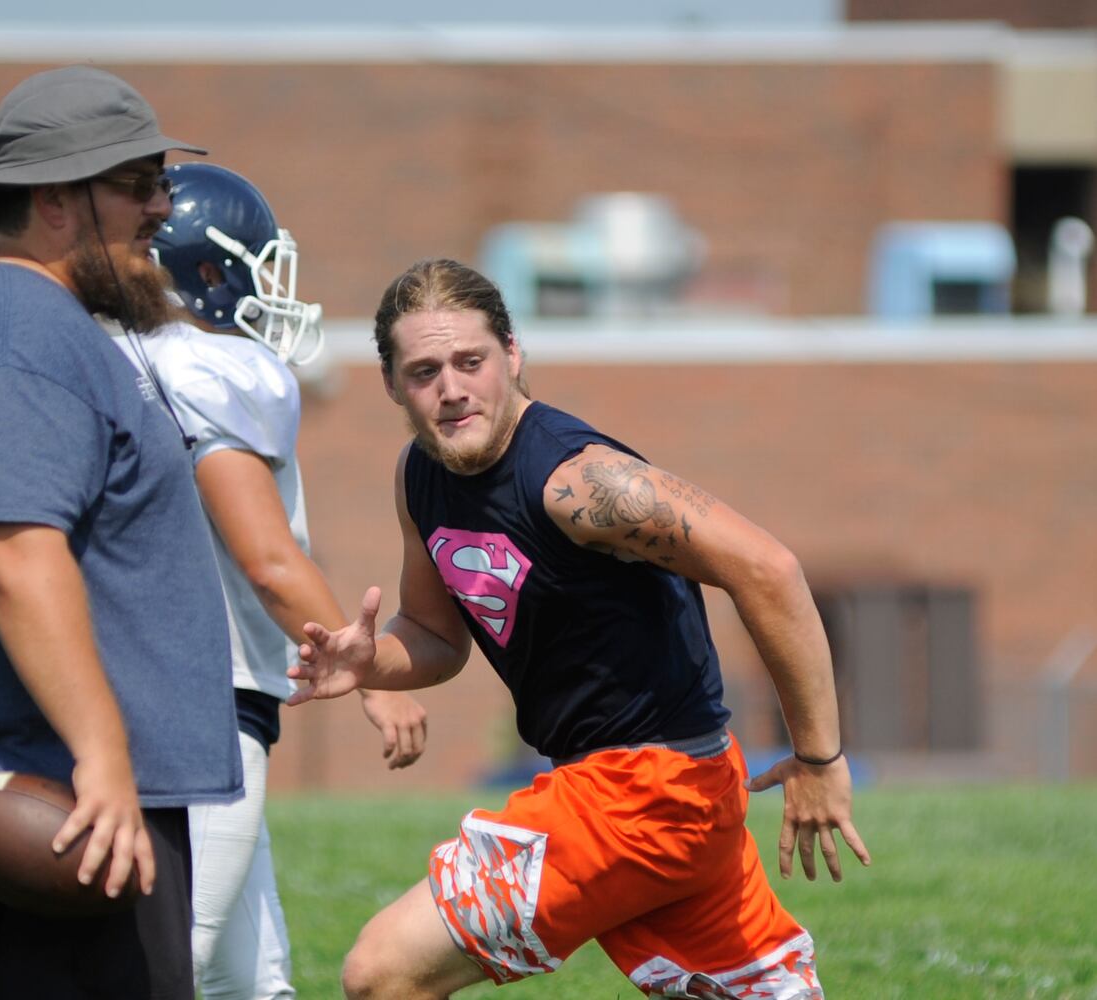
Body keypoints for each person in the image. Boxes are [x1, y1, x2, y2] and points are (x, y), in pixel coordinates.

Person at [289, 259, 872, 1000]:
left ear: (513, 355)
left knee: (383, 972)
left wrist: (819, 758)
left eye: (471, 361)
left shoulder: (576, 481)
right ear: (393, 386)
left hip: (648, 790)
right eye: (424, 370)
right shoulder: (421, 477)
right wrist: (370, 663)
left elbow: (770, 571)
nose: (452, 388)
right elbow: (437, 638)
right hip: (657, 789)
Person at [0, 66, 240, 999]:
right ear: (54, 198)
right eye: (137, 183)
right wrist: (103, 754)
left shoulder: (38, 321)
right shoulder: (17, 332)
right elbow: (11, 553)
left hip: (81, 785)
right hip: (59, 794)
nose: (163, 206)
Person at [110, 162, 429, 998]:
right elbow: (269, 558)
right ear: (207, 270)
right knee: (169, 958)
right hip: (202, 699)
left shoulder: (128, 358)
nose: (268, 288)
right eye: (252, 265)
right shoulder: (213, 369)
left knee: (251, 981)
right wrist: (370, 679)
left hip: (168, 682)